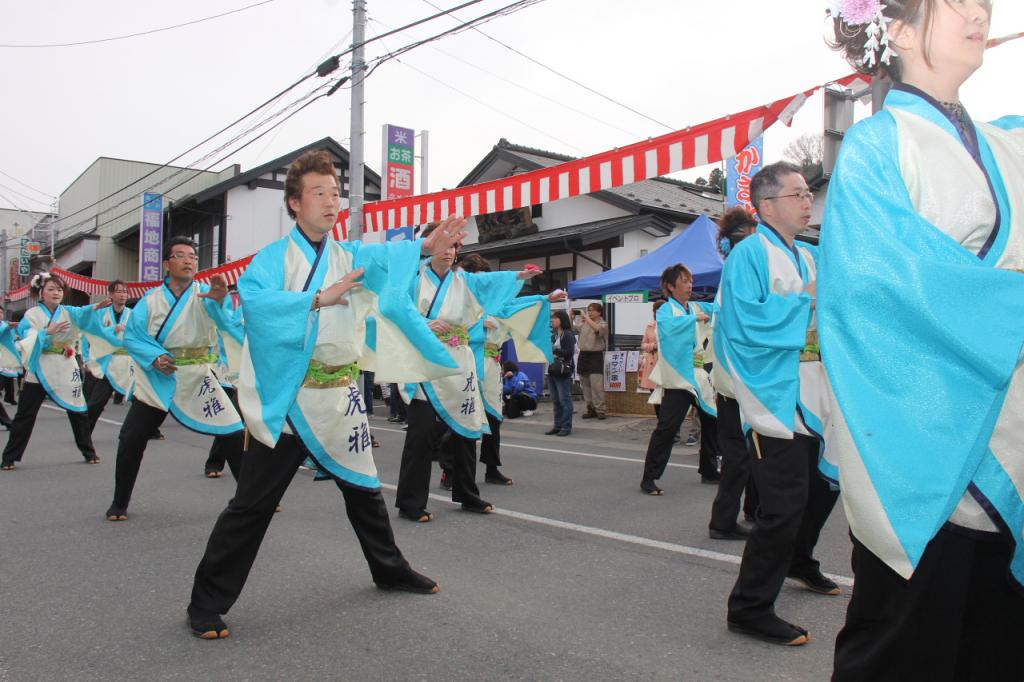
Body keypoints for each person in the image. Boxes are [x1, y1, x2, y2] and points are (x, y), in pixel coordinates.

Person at [187, 150, 468, 640]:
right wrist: (319, 297)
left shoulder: (350, 255)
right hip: (292, 399)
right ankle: (205, 603)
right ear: (295, 203)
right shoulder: (273, 260)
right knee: (251, 504)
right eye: (319, 193)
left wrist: (425, 246)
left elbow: (387, 260)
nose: (331, 201)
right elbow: (256, 304)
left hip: (339, 396)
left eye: (336, 193)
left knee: (364, 492)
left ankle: (389, 568)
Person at [823, 2, 1023, 678]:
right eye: (957, 1)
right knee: (907, 653)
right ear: (900, 29)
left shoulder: (1008, 141)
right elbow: (890, 291)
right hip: (923, 441)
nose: (980, 11)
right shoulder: (878, 146)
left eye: (985, 3)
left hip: (1008, 432)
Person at [715, 162, 840, 647]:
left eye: (809, 193)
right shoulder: (748, 255)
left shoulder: (809, 256)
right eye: (798, 194)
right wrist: (803, 303)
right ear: (767, 205)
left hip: (816, 391)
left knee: (824, 487)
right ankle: (748, 607)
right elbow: (743, 322)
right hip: (776, 394)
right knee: (783, 506)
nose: (808, 201)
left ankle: (800, 560)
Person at [394, 228, 542, 522]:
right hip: (426, 361)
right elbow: (395, 310)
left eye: (454, 247)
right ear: (429, 246)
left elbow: (489, 282)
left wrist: (519, 277)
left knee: (466, 429)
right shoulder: (412, 279)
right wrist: (423, 323)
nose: (450, 252)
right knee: (421, 434)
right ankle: (410, 502)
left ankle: (467, 493)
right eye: (444, 246)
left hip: (459, 361)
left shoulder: (463, 280)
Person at [104, 237, 244, 521]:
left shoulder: (207, 293)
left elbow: (227, 323)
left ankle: (253, 498)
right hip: (160, 375)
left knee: (233, 431)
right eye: (180, 255)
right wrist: (155, 357)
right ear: (167, 264)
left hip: (198, 375)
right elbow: (133, 336)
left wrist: (220, 301)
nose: (189, 260)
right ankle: (119, 502)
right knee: (131, 437)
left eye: (193, 256)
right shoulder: (151, 300)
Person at [456, 252, 555, 486]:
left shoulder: (494, 302)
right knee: (464, 417)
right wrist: (479, 324)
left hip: (491, 362)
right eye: (478, 278)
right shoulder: (457, 298)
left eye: (485, 278)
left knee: (494, 417)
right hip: (468, 359)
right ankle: (450, 470)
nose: (483, 283)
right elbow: (452, 326)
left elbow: (516, 306)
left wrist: (545, 298)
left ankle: (491, 468)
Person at [0, 273, 105, 470]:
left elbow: (83, 313)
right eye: (50, 289)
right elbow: (26, 334)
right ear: (41, 292)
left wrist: (96, 307)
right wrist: (46, 332)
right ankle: (9, 457)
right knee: (25, 414)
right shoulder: (32, 314)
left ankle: (88, 451)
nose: (56, 293)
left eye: (59, 289)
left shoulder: (68, 311)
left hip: (65, 364)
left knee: (78, 410)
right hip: (40, 365)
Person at [639, 264, 719, 495]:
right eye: (684, 281)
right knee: (667, 427)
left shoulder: (694, 306)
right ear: (670, 287)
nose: (689, 285)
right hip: (678, 378)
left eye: (690, 280)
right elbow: (668, 327)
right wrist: (695, 319)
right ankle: (649, 478)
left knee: (712, 422)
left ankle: (709, 470)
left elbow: (717, 308)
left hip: (699, 377)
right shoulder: (666, 310)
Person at [708, 207, 760, 540]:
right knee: (740, 454)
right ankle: (723, 521)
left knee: (752, 451)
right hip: (734, 379)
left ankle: (750, 511)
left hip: (738, 376)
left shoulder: (736, 270)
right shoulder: (738, 271)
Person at [82, 280, 134, 433]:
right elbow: (88, 336)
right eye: (118, 291)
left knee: (143, 399)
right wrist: (86, 359)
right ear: (110, 294)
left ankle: (144, 431)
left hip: (128, 363)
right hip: (107, 363)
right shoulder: (100, 314)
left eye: (125, 291)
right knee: (96, 404)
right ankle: (84, 434)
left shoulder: (133, 315)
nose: (122, 294)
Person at [573, 302, 608, 420]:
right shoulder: (584, 322)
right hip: (583, 354)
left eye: (592, 310)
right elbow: (573, 328)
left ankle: (601, 410)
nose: (590, 312)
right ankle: (590, 408)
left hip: (595, 355)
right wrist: (571, 317)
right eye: (589, 310)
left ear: (599, 312)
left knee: (596, 384)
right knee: (585, 384)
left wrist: (587, 318)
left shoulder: (602, 323)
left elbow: (598, 329)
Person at [545, 310, 575, 437]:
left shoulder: (567, 334)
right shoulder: (554, 335)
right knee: (556, 400)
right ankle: (557, 425)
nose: (553, 321)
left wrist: (554, 350)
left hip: (563, 370)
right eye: (552, 318)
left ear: (562, 320)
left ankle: (566, 426)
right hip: (552, 369)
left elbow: (569, 353)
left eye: (555, 318)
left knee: (564, 399)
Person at [637, 301, 663, 392]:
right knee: (653, 391)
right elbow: (643, 344)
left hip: (665, 361)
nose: (659, 312)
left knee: (665, 392)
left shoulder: (672, 325)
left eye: (662, 310)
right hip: (652, 360)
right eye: (656, 310)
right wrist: (653, 346)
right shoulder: (650, 326)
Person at [0, 305, 19, 429]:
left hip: (5, 364)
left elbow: (14, 340)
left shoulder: (7, 325)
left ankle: (7, 421)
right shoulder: (6, 326)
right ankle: (7, 421)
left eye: (1, 312)